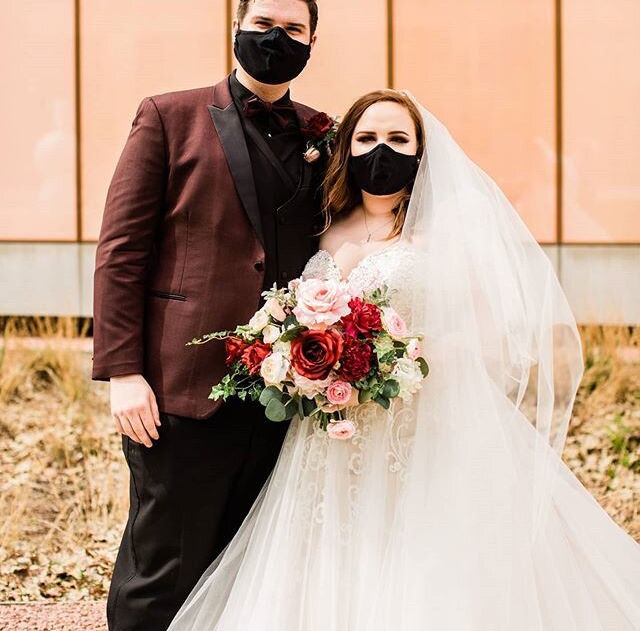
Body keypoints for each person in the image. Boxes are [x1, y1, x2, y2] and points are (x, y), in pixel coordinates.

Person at [168, 89, 640, 630]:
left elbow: (492, 335)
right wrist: (300, 360)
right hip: (331, 428)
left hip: (422, 424)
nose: (381, 150)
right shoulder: (324, 227)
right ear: (348, 148)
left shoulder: (443, 232)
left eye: (397, 139)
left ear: (420, 152)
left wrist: (393, 357)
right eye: (367, 138)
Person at [92, 0, 327, 631]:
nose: (276, 40)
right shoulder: (168, 116)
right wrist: (123, 371)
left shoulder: (323, 132)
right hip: (179, 390)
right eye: (263, 25)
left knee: (248, 571)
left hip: (286, 394)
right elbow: (121, 250)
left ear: (313, 42)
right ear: (235, 27)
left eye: (292, 31)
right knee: (163, 566)